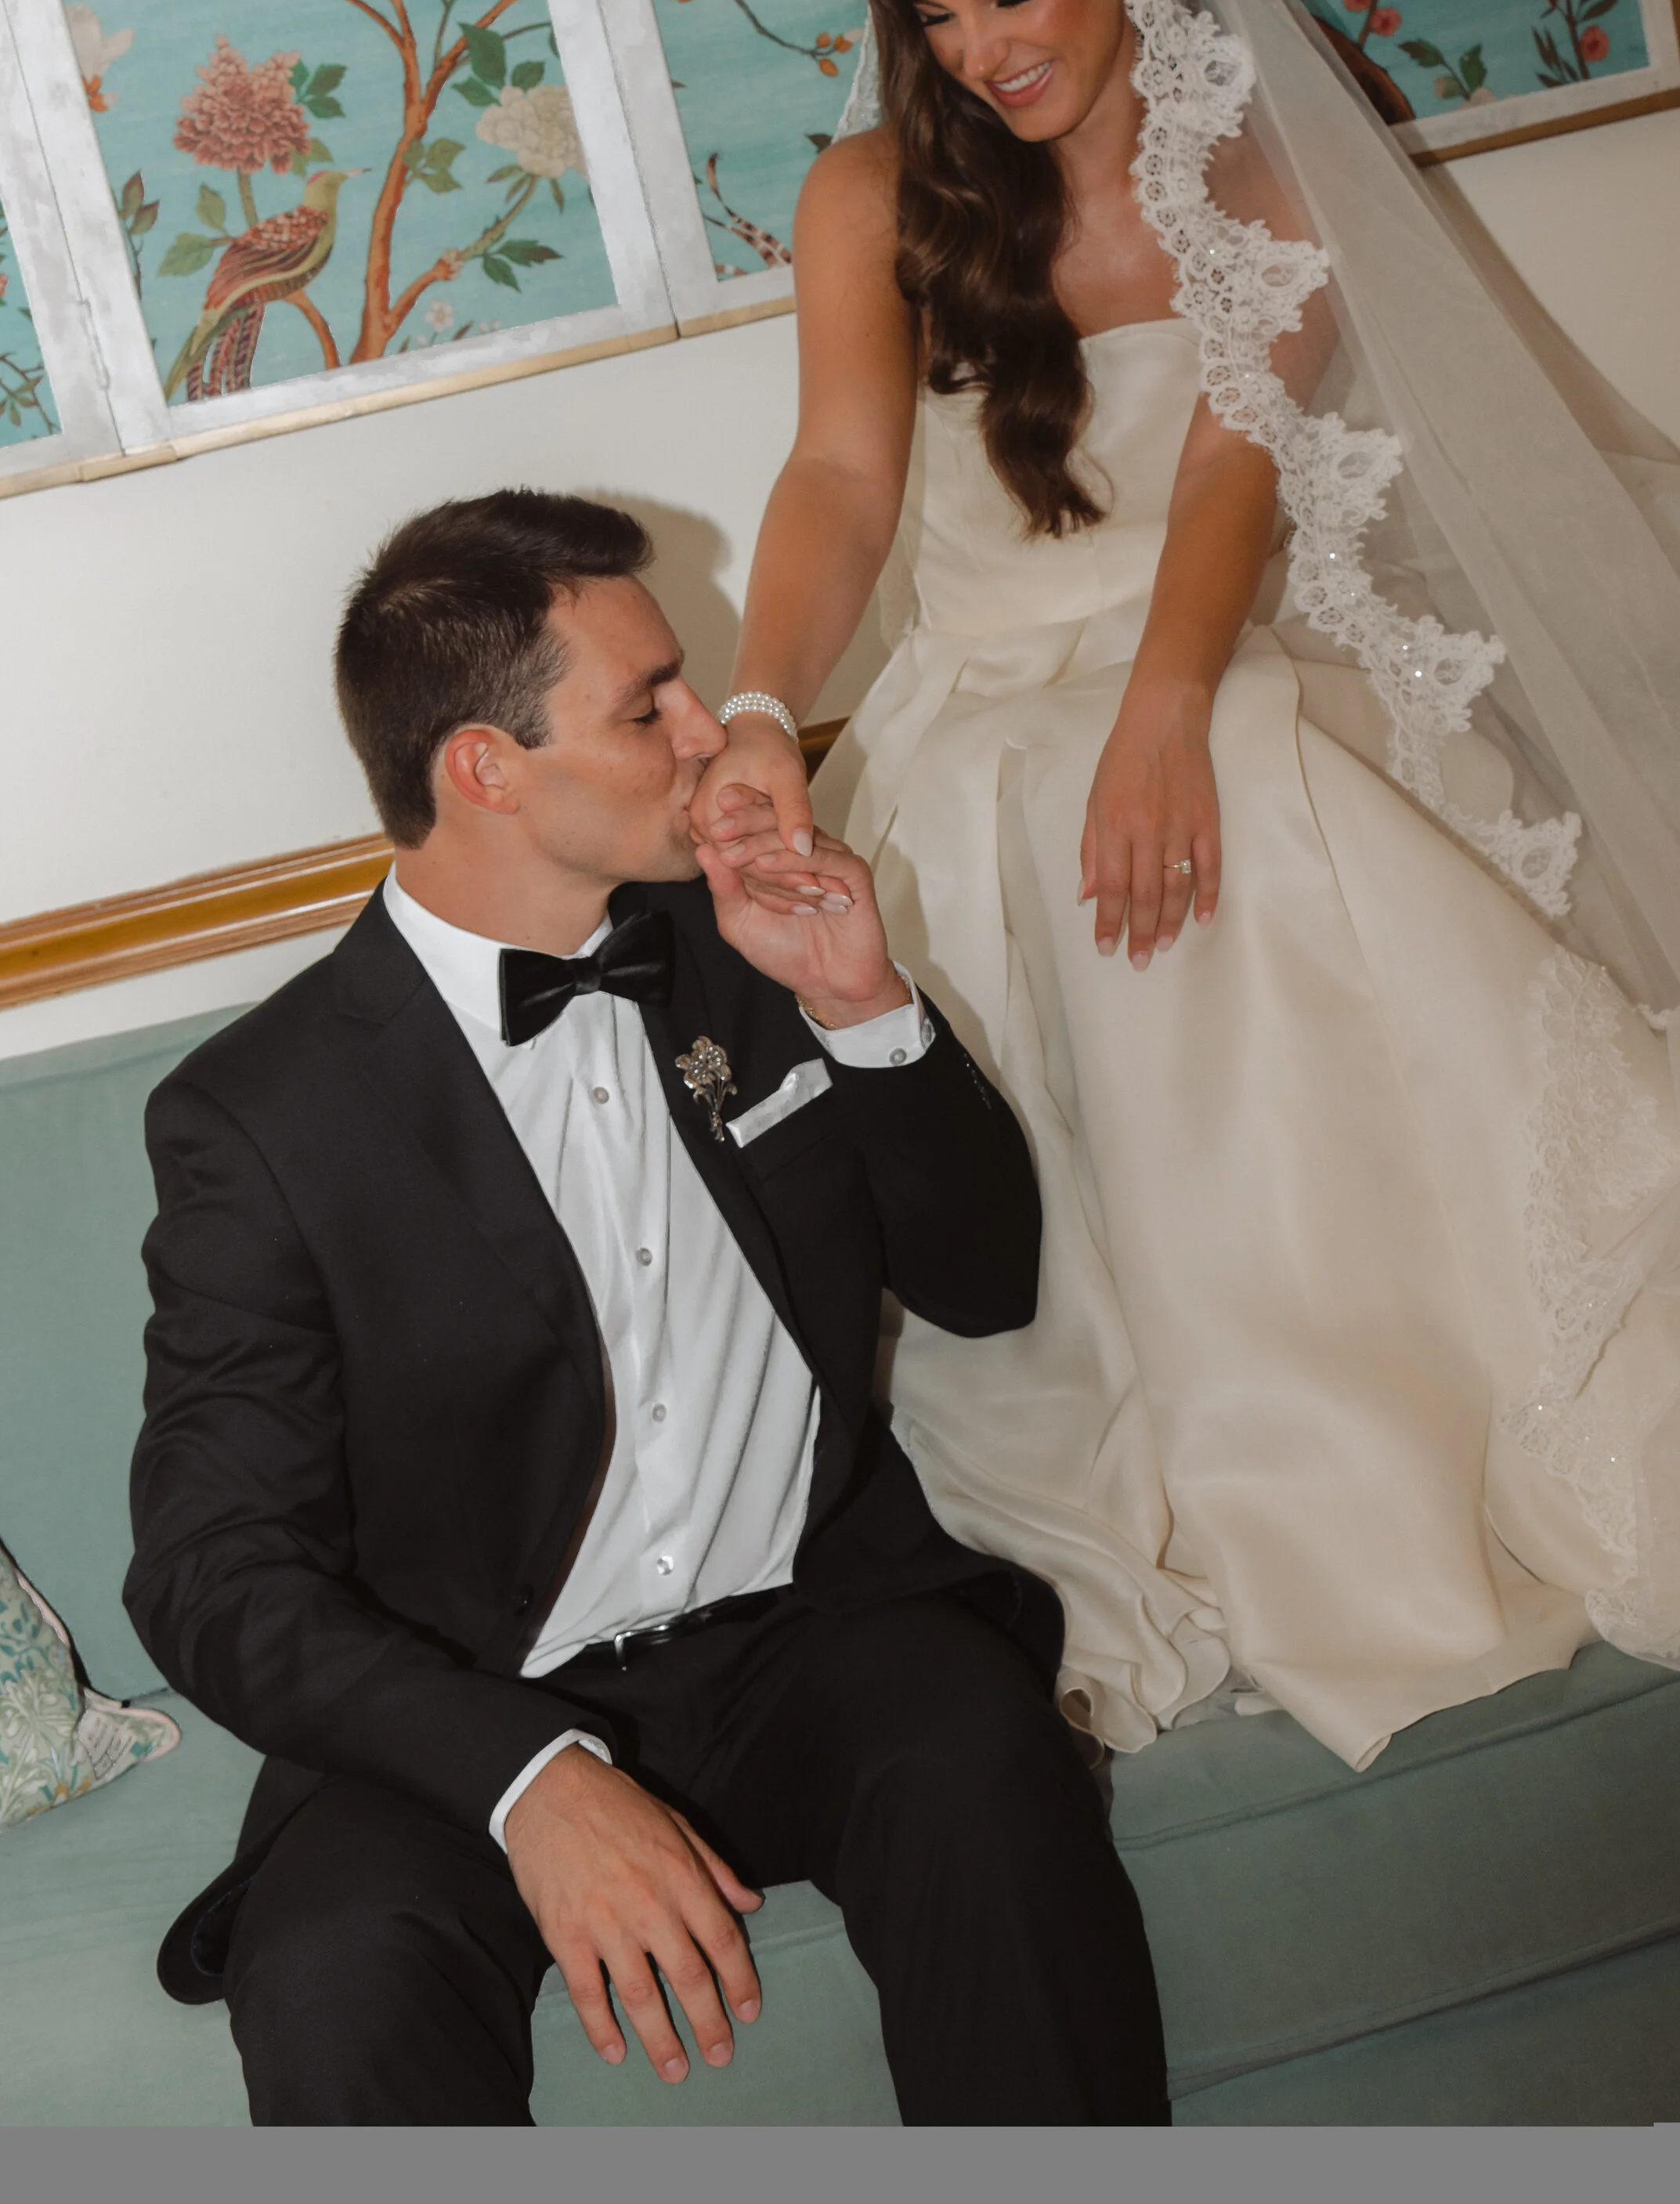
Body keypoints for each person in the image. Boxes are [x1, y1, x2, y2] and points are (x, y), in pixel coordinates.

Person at [703, 0, 1680, 2108]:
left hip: (1211, 658)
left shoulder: (1244, 160)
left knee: (1247, 792)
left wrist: (1170, 705)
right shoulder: (872, 195)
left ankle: (1383, 1419)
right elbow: (843, 476)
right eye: (941, 11)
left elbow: (1234, 471)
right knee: (1000, 815)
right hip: (977, 698)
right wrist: (768, 702)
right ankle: (1175, 1453)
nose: (987, 46)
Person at [124, 488, 1169, 2129]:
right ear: (486, 767)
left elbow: (981, 1286)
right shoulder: (261, 1118)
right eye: (649, 705)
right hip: (473, 1691)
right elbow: (209, 1573)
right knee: (337, 1968)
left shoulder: (748, 941)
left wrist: (865, 1008)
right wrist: (530, 1780)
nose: (717, 731)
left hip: (808, 1638)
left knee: (981, 1758)